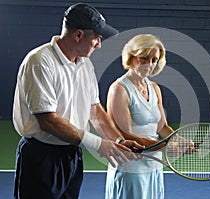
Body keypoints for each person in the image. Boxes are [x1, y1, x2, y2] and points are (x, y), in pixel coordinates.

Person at [12, 3, 144, 199]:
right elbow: (48, 120)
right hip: (41, 157)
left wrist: (118, 141)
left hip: (72, 155)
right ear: (79, 35)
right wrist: (99, 144)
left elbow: (95, 110)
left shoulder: (85, 64)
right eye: (97, 38)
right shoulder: (39, 61)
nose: (99, 44)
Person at [105, 34, 184, 199]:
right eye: (144, 58)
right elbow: (124, 135)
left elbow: (161, 127)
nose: (149, 64)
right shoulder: (119, 89)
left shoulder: (154, 88)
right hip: (131, 169)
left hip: (154, 166)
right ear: (132, 57)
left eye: (154, 60)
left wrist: (178, 140)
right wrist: (165, 146)